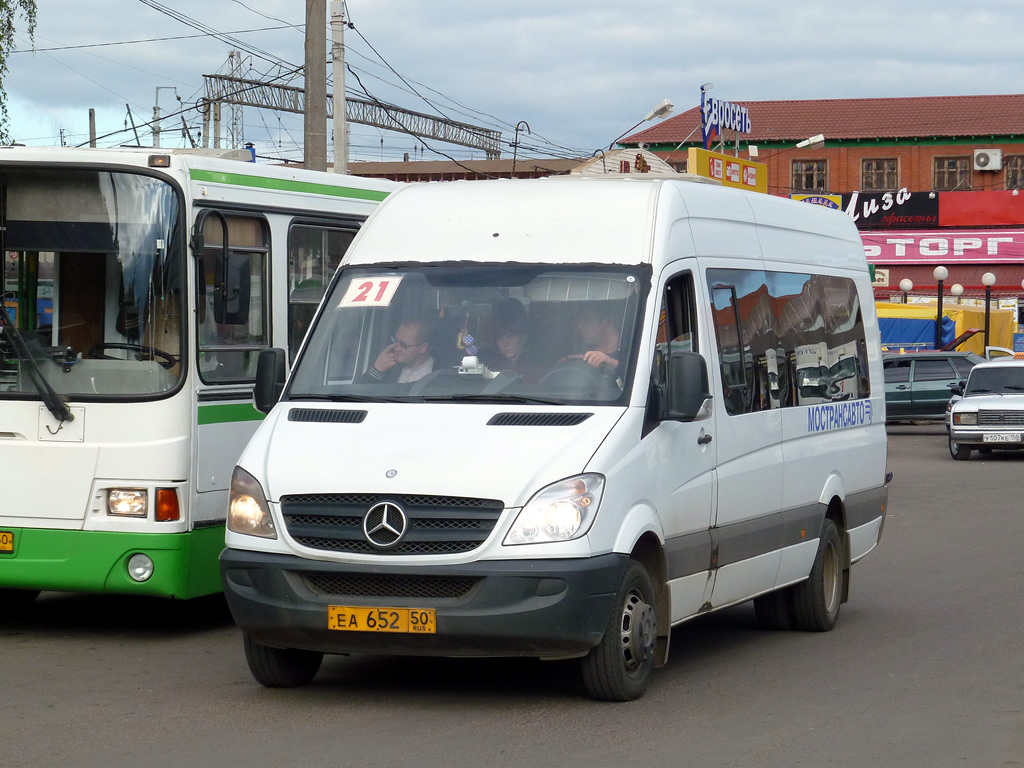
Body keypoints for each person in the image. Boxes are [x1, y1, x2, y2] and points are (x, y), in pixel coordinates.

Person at [484, 298, 543, 383]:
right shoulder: (491, 366)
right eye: (499, 337)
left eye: (510, 336)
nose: (505, 343)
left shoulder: (535, 367)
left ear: (524, 336)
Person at [364, 318, 434, 383]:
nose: (396, 348)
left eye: (403, 345)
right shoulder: (388, 367)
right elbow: (361, 392)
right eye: (395, 340)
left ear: (422, 348)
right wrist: (377, 370)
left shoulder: (436, 374)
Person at [574, 304, 623, 372]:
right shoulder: (580, 351)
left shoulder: (635, 351)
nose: (579, 327)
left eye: (587, 321)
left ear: (608, 323)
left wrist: (612, 363)